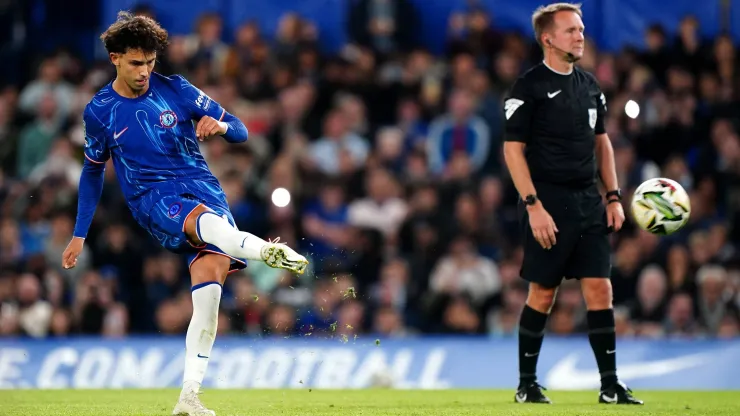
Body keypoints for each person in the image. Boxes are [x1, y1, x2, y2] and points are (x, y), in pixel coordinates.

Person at [61, 12, 308, 416]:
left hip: (205, 187)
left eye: (151, 61)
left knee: (209, 299)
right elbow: (91, 171)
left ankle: (188, 398)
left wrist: (221, 127)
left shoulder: (176, 89)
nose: (145, 71)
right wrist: (79, 233)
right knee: (210, 228)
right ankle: (267, 250)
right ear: (115, 59)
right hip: (154, 197)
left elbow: (241, 128)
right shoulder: (100, 110)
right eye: (136, 62)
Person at [502, 3, 643, 405]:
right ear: (548, 39)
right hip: (547, 200)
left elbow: (603, 143)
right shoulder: (528, 88)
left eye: (580, 29)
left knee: (601, 289)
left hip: (588, 201)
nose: (580, 35)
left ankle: (610, 384)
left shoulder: (590, 86)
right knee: (543, 294)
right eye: (570, 30)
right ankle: (526, 384)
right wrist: (533, 205)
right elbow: (513, 152)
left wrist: (613, 196)